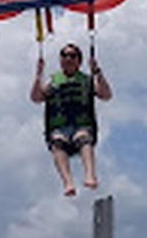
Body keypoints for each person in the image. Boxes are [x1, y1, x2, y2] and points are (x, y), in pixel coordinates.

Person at [30, 43, 112, 196]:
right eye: (64, 55)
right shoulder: (53, 81)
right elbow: (36, 98)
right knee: (57, 142)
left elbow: (106, 95)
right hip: (59, 127)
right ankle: (68, 183)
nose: (68, 59)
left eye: (72, 56)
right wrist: (38, 74)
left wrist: (97, 72)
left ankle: (90, 175)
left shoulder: (87, 80)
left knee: (84, 139)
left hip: (82, 125)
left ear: (79, 61)